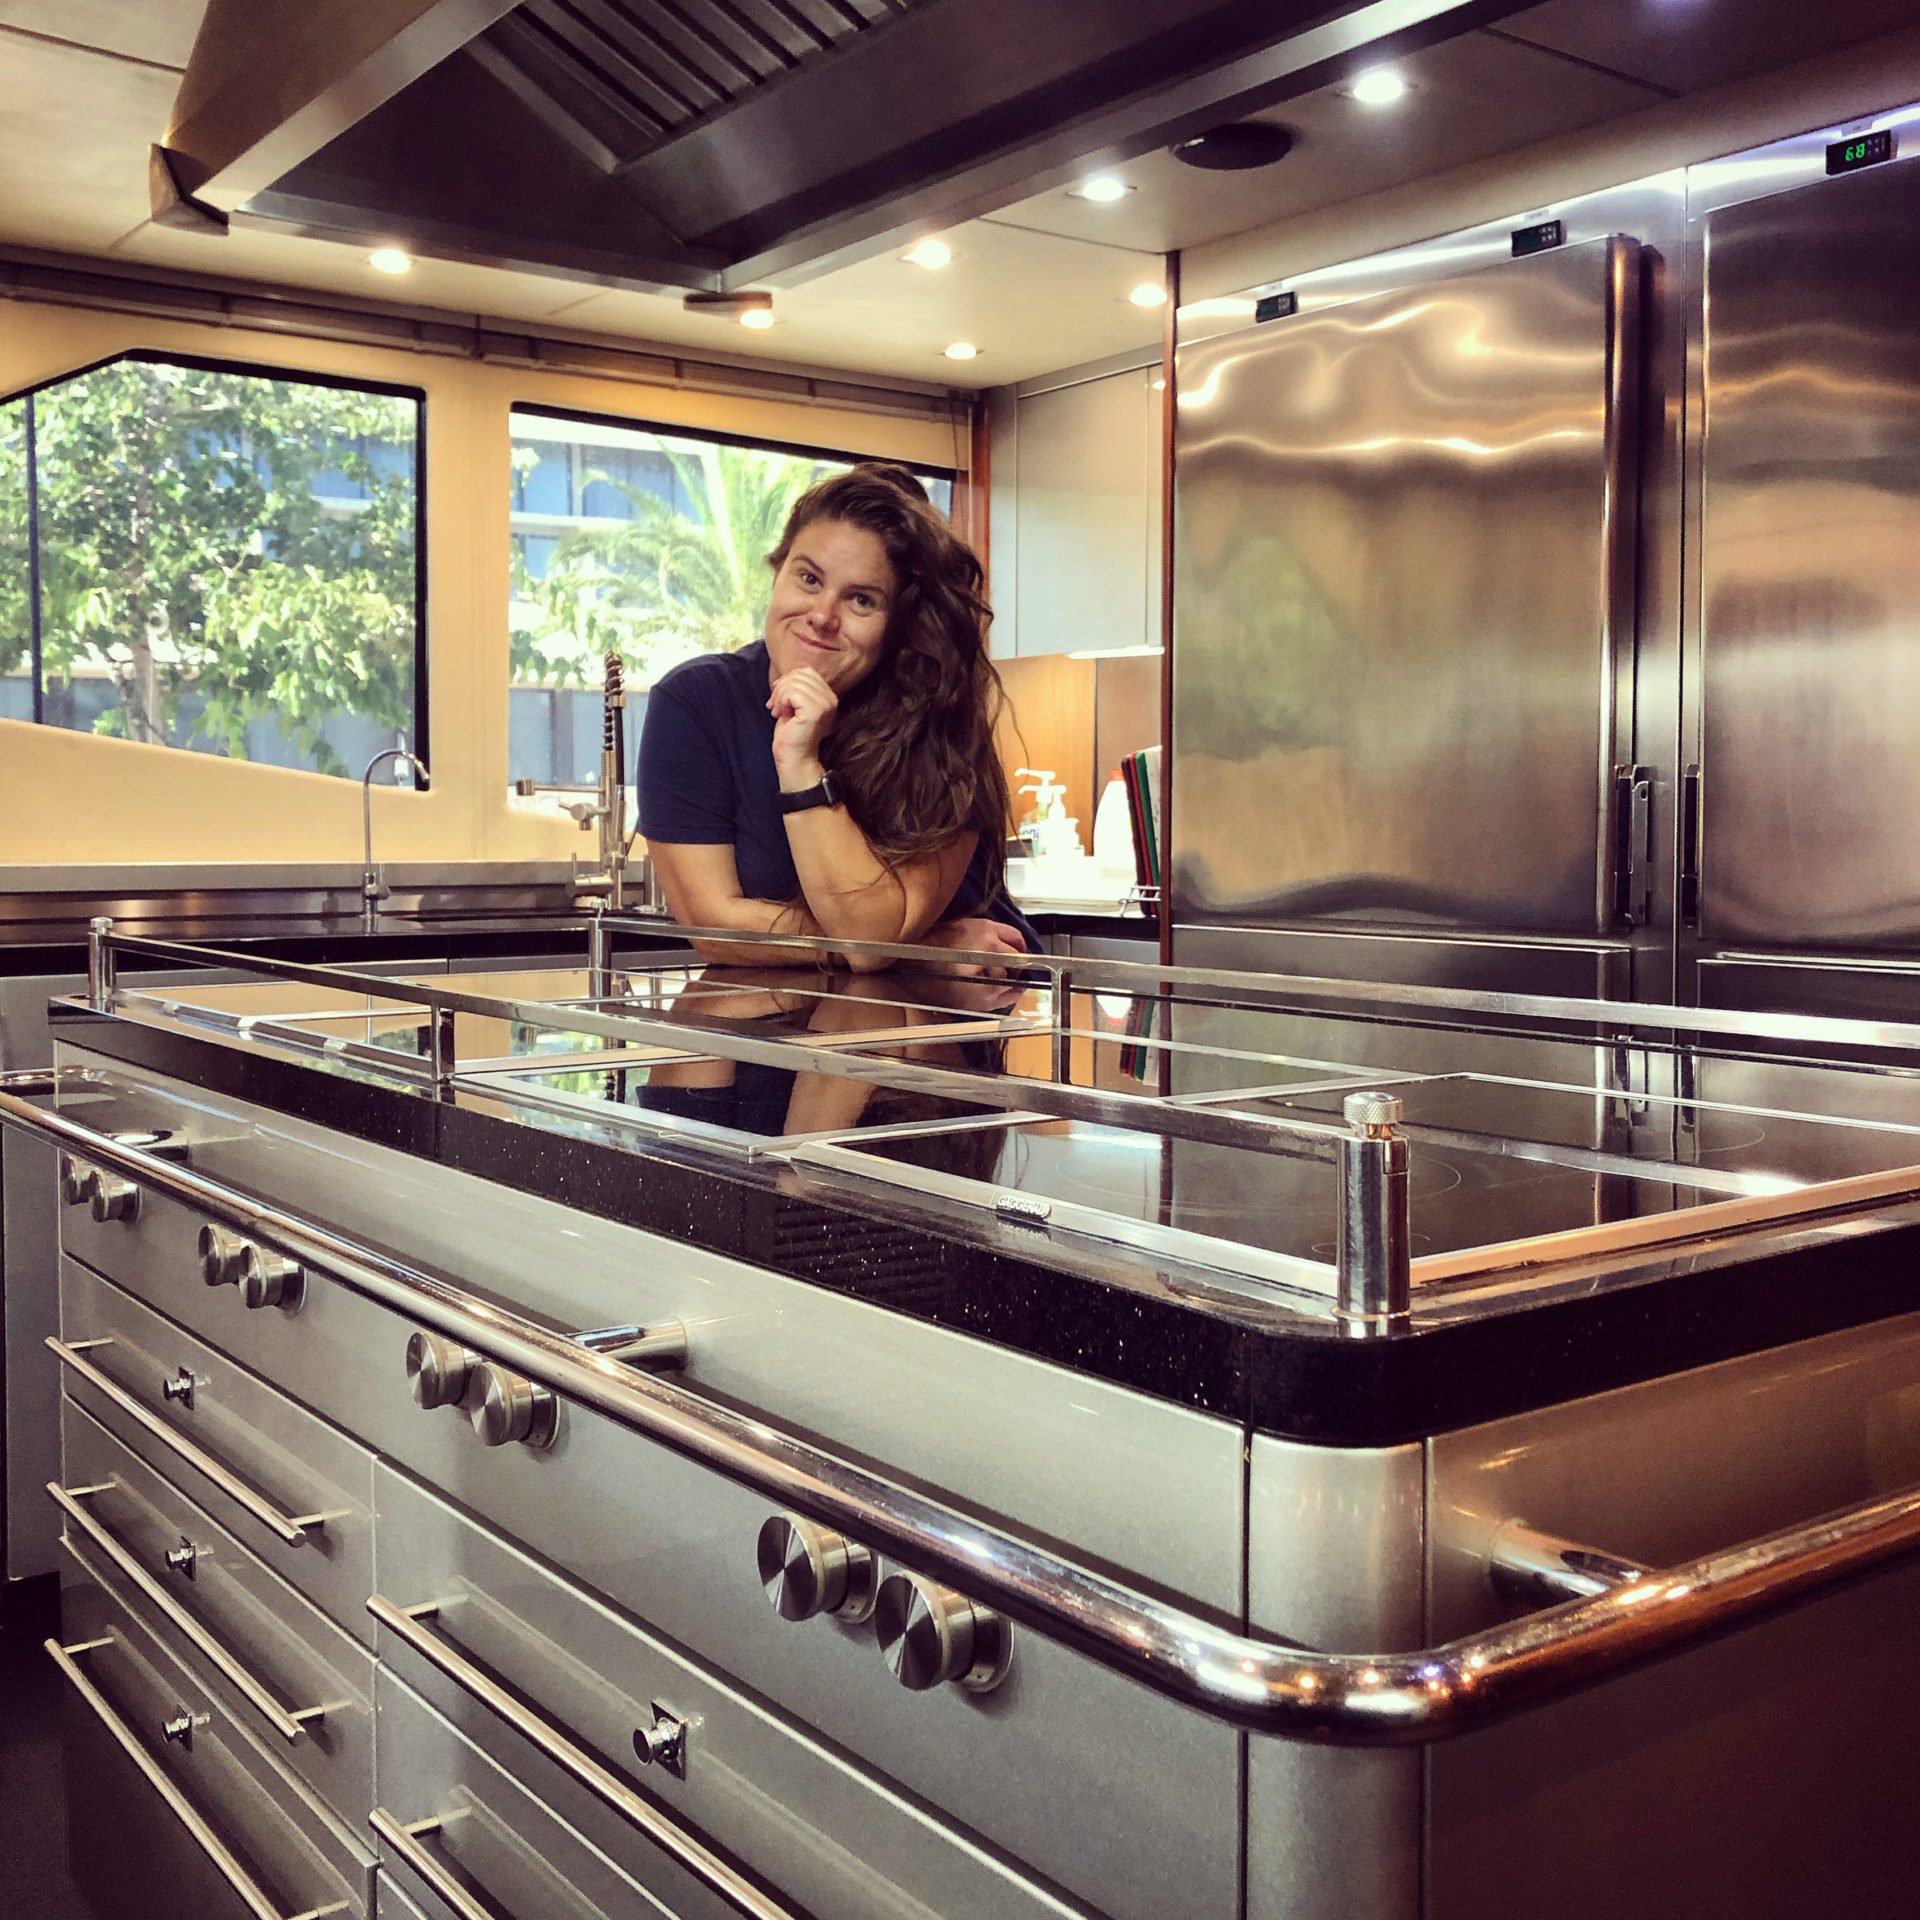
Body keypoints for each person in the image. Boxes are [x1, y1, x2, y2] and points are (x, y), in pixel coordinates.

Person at [637, 461, 1037, 968]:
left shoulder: (942, 717)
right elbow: (714, 927)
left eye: (862, 599)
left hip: (963, 1004)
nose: (823, 616)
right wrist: (925, 946)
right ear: (777, 571)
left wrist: (800, 761)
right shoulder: (695, 702)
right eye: (808, 578)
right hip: (792, 1019)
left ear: (898, 626)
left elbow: (867, 942)